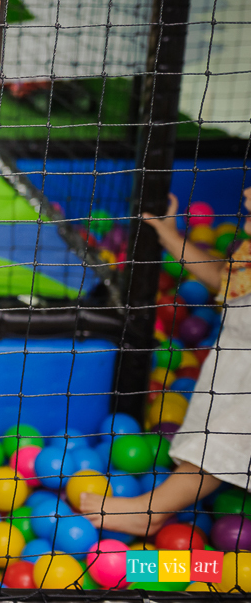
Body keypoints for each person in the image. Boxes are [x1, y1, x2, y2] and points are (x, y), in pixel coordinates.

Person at [80, 187, 251, 535]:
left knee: (221, 441)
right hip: (232, 370)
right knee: (214, 437)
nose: (246, 192)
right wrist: (171, 236)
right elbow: (224, 279)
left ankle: (150, 512)